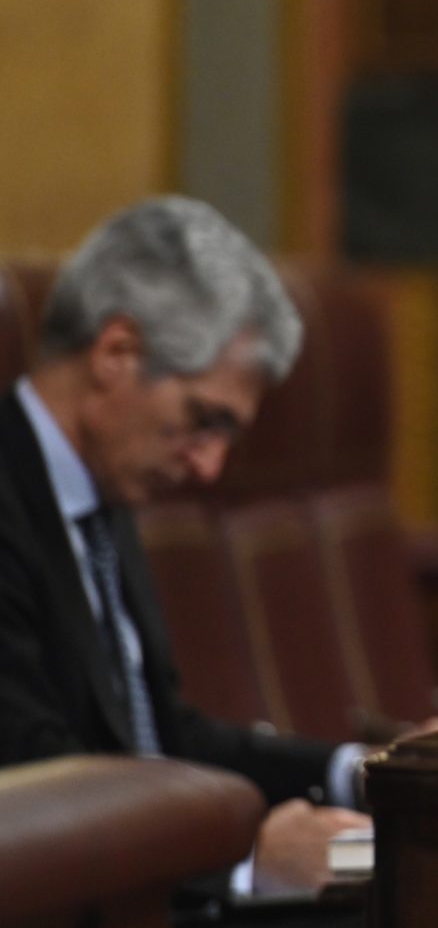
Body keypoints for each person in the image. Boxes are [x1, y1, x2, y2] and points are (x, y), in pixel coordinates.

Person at [1, 197, 369, 899]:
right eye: (202, 421)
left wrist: (364, 769)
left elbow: (164, 740)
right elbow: (31, 786)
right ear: (116, 353)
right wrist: (243, 870)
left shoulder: (98, 497)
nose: (208, 468)